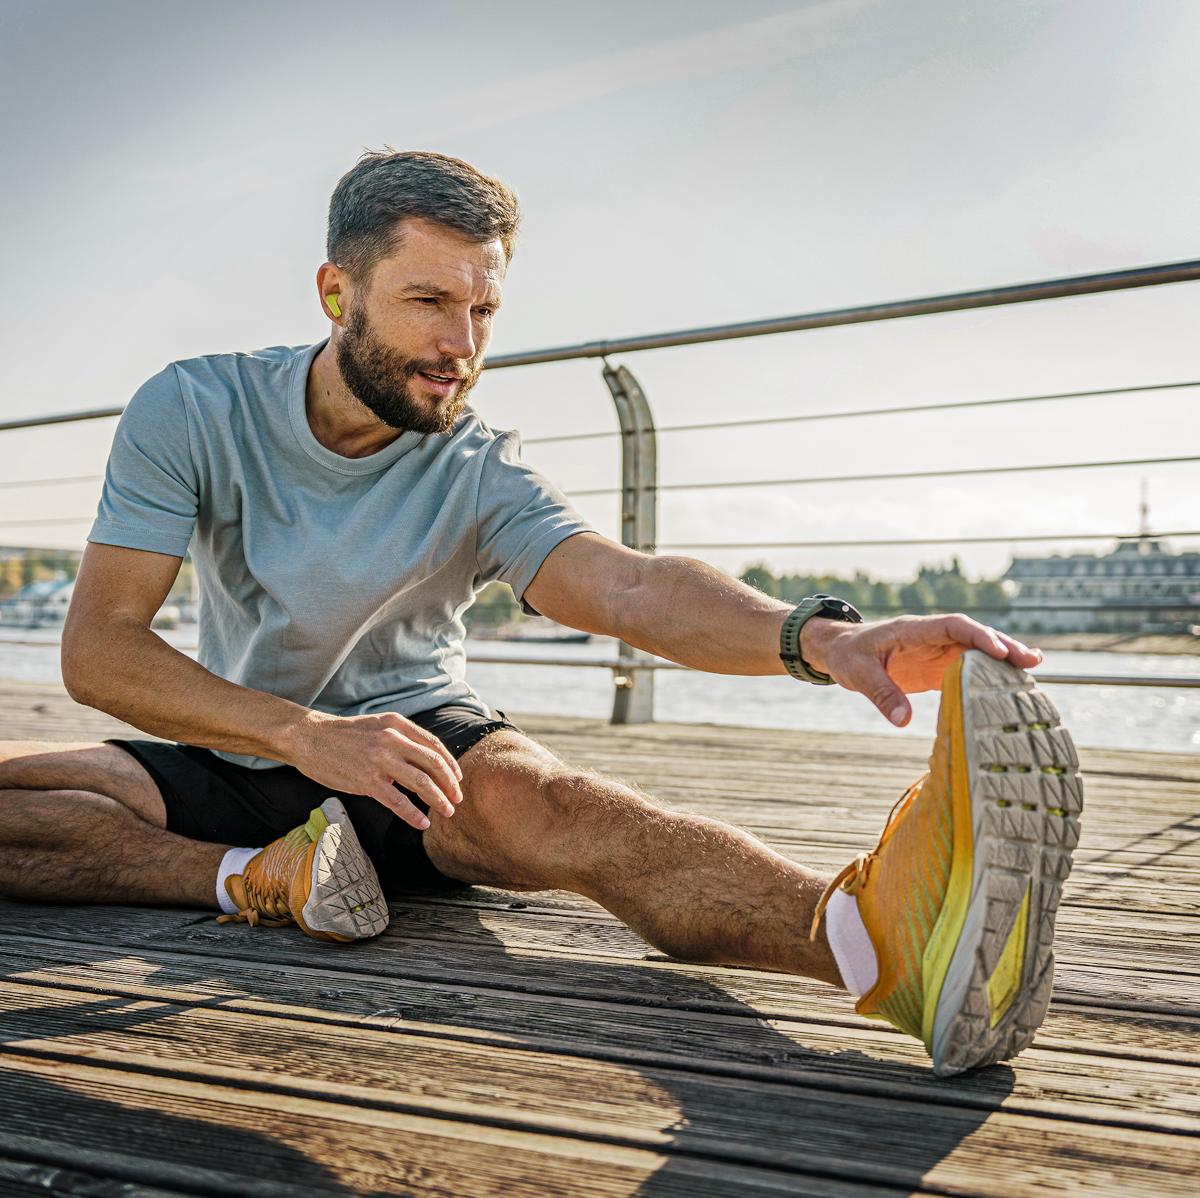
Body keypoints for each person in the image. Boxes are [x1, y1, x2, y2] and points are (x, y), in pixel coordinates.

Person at [0, 151, 1081, 1077]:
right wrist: (299, 735)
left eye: (483, 310)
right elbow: (100, 649)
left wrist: (823, 639)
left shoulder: (478, 468)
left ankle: (884, 945)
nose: (461, 344)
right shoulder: (193, 407)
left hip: (414, 749)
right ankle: (256, 881)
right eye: (430, 301)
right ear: (338, 292)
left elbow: (623, 584)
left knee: (557, 806)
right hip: (241, 740)